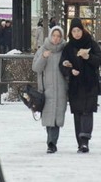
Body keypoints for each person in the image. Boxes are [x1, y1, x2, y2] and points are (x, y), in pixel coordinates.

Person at [59, 17, 101, 153]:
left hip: (90, 83)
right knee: (77, 113)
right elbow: (62, 64)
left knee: (87, 112)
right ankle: (79, 142)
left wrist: (88, 57)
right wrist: (70, 70)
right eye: (74, 31)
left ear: (82, 30)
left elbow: (99, 60)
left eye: (78, 30)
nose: (76, 33)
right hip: (75, 85)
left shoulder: (91, 43)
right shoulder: (68, 47)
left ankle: (85, 141)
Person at [32, 25, 69, 154]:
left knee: (57, 117)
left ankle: (52, 143)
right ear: (50, 36)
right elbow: (36, 68)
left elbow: (70, 67)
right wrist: (43, 57)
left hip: (61, 89)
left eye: (59, 36)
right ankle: (50, 142)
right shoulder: (43, 49)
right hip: (46, 90)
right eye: (54, 35)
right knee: (48, 117)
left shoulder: (65, 50)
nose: (56, 38)